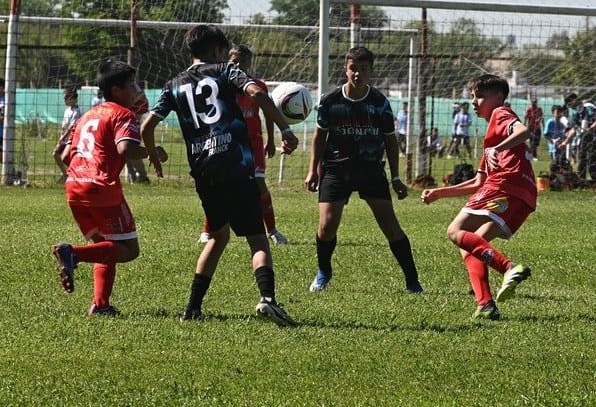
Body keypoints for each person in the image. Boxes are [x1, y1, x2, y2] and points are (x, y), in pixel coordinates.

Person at [140, 24, 298, 326]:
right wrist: (285, 129)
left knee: (218, 236)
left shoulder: (173, 84)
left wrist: (153, 156)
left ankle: (192, 308)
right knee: (257, 238)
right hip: (235, 162)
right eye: (224, 52)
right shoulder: (226, 70)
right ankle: (268, 300)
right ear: (216, 51)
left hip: (203, 170)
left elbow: (147, 127)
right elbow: (259, 94)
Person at [304, 46, 423, 294]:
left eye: (363, 69)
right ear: (345, 69)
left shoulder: (379, 103)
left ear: (372, 72)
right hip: (336, 169)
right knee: (326, 227)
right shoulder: (329, 101)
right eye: (353, 69)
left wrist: (396, 177)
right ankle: (324, 271)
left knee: (390, 226)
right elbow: (319, 137)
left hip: (370, 170)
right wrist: (313, 170)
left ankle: (413, 281)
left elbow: (391, 141)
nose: (357, 74)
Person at [51, 60, 166, 316]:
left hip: (74, 186)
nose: (136, 90)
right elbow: (125, 149)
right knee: (128, 250)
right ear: (116, 90)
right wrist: (153, 151)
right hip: (100, 187)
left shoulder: (86, 116)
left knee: (105, 246)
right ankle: (73, 254)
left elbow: (68, 154)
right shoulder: (122, 114)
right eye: (131, 85)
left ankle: (101, 305)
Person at [420, 74, 535, 321]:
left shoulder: (501, 113)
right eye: (472, 95)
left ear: (499, 98)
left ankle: (509, 267)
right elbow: (477, 182)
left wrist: (498, 148)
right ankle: (485, 304)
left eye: (480, 96)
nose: (474, 101)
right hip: (524, 194)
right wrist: (440, 193)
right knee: (471, 246)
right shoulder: (492, 140)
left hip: (505, 183)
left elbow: (524, 131)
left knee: (455, 231)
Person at [198, 44, 289, 245]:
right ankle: (208, 230)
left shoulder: (257, 86)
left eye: (242, 62)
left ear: (249, 64)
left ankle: (272, 230)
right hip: (227, 144)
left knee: (260, 186)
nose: (238, 65)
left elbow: (267, 113)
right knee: (220, 187)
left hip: (253, 143)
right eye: (234, 61)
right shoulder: (220, 86)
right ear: (228, 61)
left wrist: (271, 140)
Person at [564, 92, 596, 183]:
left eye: (569, 104)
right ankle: (581, 182)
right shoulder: (577, 113)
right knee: (581, 161)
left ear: (575, 100)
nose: (569, 107)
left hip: (594, 138)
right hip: (584, 139)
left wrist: (590, 129)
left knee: (592, 163)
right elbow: (574, 129)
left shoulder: (588, 107)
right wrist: (564, 142)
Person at [53, 86, 81, 183]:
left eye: (66, 98)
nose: (64, 100)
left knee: (67, 158)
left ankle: (75, 175)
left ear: (72, 98)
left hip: (71, 139)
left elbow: (71, 127)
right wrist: (61, 135)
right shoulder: (67, 110)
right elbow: (64, 125)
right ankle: (65, 174)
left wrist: (63, 137)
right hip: (64, 138)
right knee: (55, 154)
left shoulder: (76, 111)